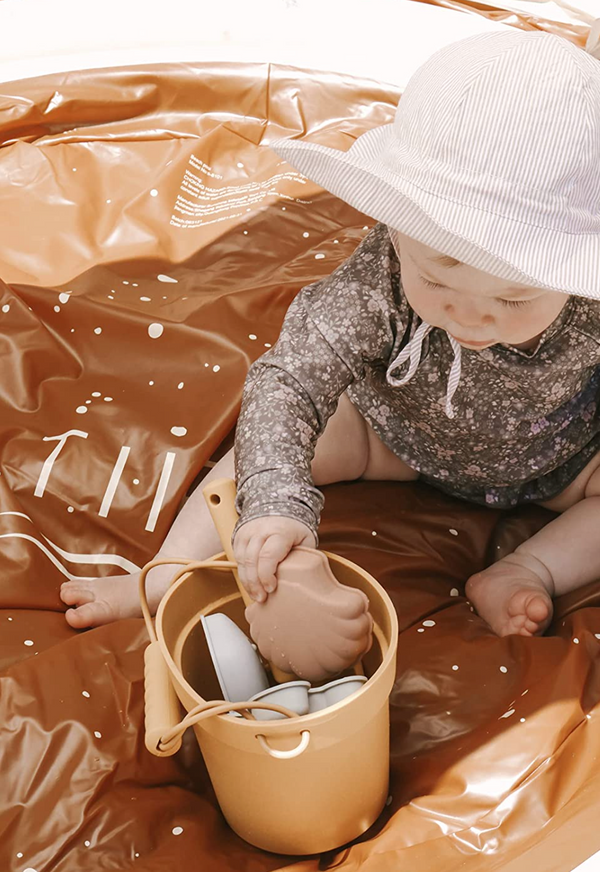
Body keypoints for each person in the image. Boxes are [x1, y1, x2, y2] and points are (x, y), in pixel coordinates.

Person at [60, 29, 600, 638]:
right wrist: (274, 509)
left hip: (561, 464)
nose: (472, 317)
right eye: (438, 282)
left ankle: (530, 567)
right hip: (388, 438)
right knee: (272, 445)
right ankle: (166, 575)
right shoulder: (378, 279)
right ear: (393, 226)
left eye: (513, 297)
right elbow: (287, 380)